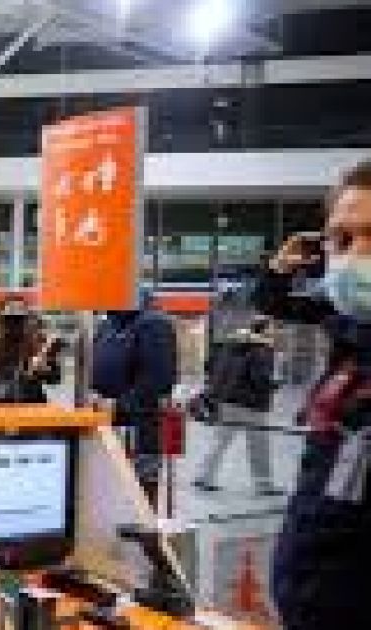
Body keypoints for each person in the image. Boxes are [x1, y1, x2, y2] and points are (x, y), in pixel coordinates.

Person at [258, 158, 371, 630]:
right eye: (342, 239)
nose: (356, 256)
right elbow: (276, 303)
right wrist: (280, 268)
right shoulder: (352, 336)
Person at [90, 292, 178, 504]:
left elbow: (159, 379)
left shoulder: (154, 323)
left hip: (139, 429)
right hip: (107, 425)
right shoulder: (108, 324)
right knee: (106, 498)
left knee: (138, 501)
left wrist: (118, 405)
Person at [193, 315, 282, 495]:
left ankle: (204, 476)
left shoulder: (231, 344)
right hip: (252, 404)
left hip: (228, 400)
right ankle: (264, 484)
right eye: (273, 327)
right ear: (264, 329)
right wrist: (274, 384)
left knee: (219, 441)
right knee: (259, 446)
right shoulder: (262, 348)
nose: (276, 331)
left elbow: (213, 368)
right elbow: (260, 378)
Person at [0, 297, 63, 403]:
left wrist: (44, 361)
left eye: (19, 320)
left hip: (27, 402)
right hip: (3, 403)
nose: (15, 327)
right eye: (10, 321)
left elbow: (54, 378)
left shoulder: (37, 343)